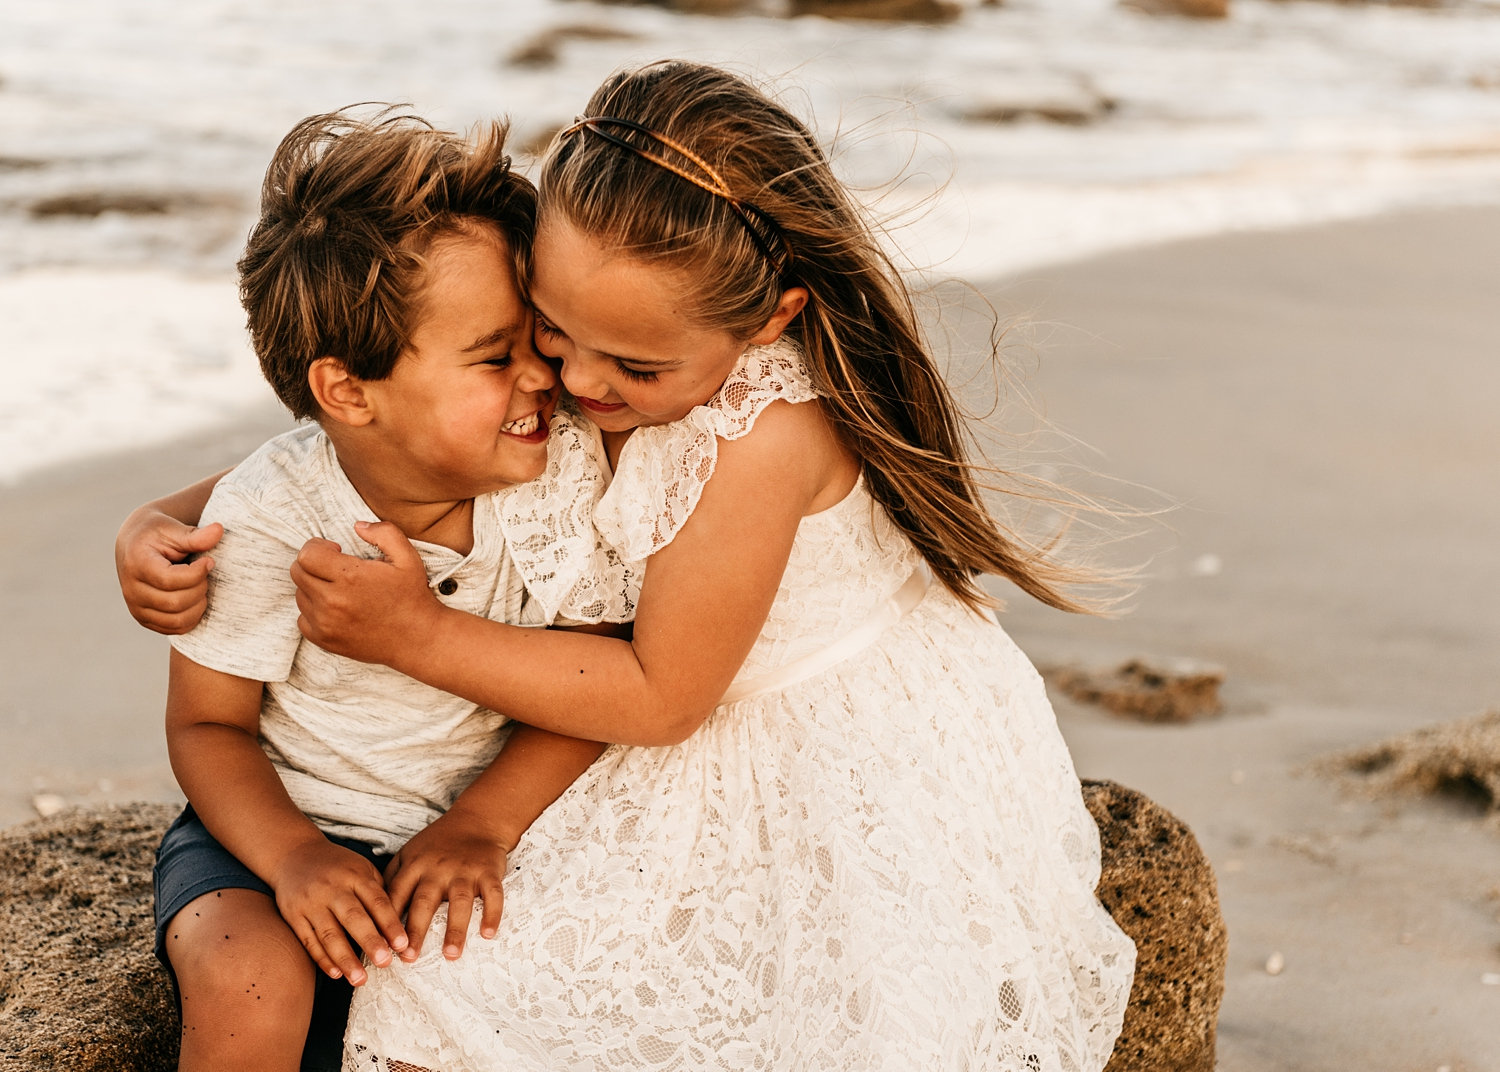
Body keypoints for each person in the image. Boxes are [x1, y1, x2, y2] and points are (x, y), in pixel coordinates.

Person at [119, 63, 1135, 1070]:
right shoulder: (577, 377)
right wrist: (158, 520)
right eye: (550, 333)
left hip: (779, 742)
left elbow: (655, 694)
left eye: (632, 367)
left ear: (767, 318)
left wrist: (417, 639)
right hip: (616, 722)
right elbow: (334, 461)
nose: (574, 385)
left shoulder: (762, 431)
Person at [130, 107, 632, 1072]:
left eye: (538, 336)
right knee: (249, 983)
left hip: (492, 817)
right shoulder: (276, 515)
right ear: (350, 392)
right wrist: (293, 859)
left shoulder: (567, 476)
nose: (543, 374)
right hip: (269, 827)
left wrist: (484, 824)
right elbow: (207, 727)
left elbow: (598, 670)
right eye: (495, 355)